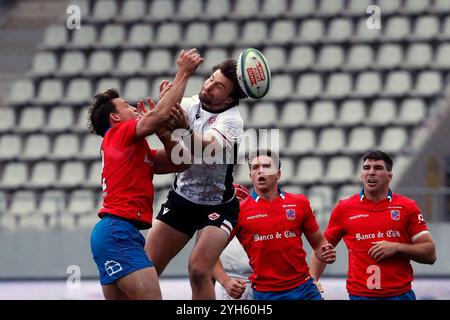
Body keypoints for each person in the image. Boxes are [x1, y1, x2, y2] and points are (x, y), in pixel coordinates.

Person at [87, 49, 203, 300]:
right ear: (115, 117)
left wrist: (163, 132)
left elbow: (180, 163)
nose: (133, 108)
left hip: (115, 233)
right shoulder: (118, 134)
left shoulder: (133, 148)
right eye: (126, 106)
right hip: (118, 232)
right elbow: (160, 114)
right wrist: (183, 72)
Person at [145, 58, 249, 300]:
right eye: (211, 79)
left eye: (218, 86)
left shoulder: (232, 121)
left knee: (199, 270)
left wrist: (185, 130)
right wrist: (165, 102)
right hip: (182, 200)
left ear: (230, 99)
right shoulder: (191, 105)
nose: (208, 86)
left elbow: (204, 151)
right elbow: (161, 114)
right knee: (146, 269)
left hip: (218, 205)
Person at [310, 150, 437, 300]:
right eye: (366, 168)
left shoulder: (407, 207)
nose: (371, 172)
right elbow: (322, 247)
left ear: (389, 177)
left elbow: (430, 254)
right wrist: (313, 280)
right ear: (361, 175)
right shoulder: (344, 208)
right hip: (360, 296)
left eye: (377, 168)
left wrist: (397, 247)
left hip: (399, 295)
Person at [214, 148, 336, 300]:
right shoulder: (238, 212)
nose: (260, 171)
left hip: (304, 289)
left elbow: (319, 245)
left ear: (278, 174)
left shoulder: (299, 203)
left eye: (266, 166)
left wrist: (325, 252)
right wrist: (225, 281)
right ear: (250, 175)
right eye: (255, 168)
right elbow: (209, 255)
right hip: (266, 294)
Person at [213, 183, 254, 300]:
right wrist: (225, 281)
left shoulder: (257, 227)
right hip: (229, 290)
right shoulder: (214, 231)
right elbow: (205, 259)